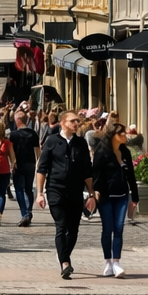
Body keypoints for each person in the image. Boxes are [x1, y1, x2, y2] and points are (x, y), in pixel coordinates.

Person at [36, 108, 95, 279]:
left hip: (75, 191)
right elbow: (42, 169)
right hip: (56, 190)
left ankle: (63, 254)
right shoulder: (52, 141)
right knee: (61, 226)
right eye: (73, 121)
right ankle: (65, 263)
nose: (76, 124)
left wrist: (91, 194)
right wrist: (40, 193)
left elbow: (87, 171)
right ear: (63, 123)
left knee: (74, 230)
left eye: (77, 121)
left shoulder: (81, 143)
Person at [91, 119, 139, 276]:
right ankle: (108, 262)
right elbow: (96, 175)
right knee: (107, 229)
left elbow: (131, 175)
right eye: (121, 133)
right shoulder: (102, 151)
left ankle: (117, 262)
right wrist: (94, 193)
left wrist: (135, 197)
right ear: (113, 135)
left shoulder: (125, 152)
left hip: (122, 195)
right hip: (105, 196)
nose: (125, 135)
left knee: (118, 229)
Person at [10, 109, 40, 227]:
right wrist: (37, 163)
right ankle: (29, 211)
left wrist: (12, 163)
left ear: (18, 120)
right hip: (30, 164)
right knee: (28, 188)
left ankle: (25, 214)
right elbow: (38, 150)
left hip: (18, 164)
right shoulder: (33, 133)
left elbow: (10, 152)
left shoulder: (13, 135)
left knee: (19, 190)